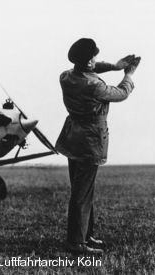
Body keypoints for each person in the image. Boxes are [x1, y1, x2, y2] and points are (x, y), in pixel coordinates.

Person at [56, 38, 141, 254]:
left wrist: (114, 66)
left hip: (73, 139)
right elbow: (121, 93)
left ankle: (85, 235)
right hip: (90, 142)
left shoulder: (66, 77)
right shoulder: (94, 86)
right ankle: (77, 243)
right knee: (82, 194)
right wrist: (128, 74)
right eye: (93, 56)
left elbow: (89, 68)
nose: (96, 58)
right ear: (89, 62)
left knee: (82, 192)